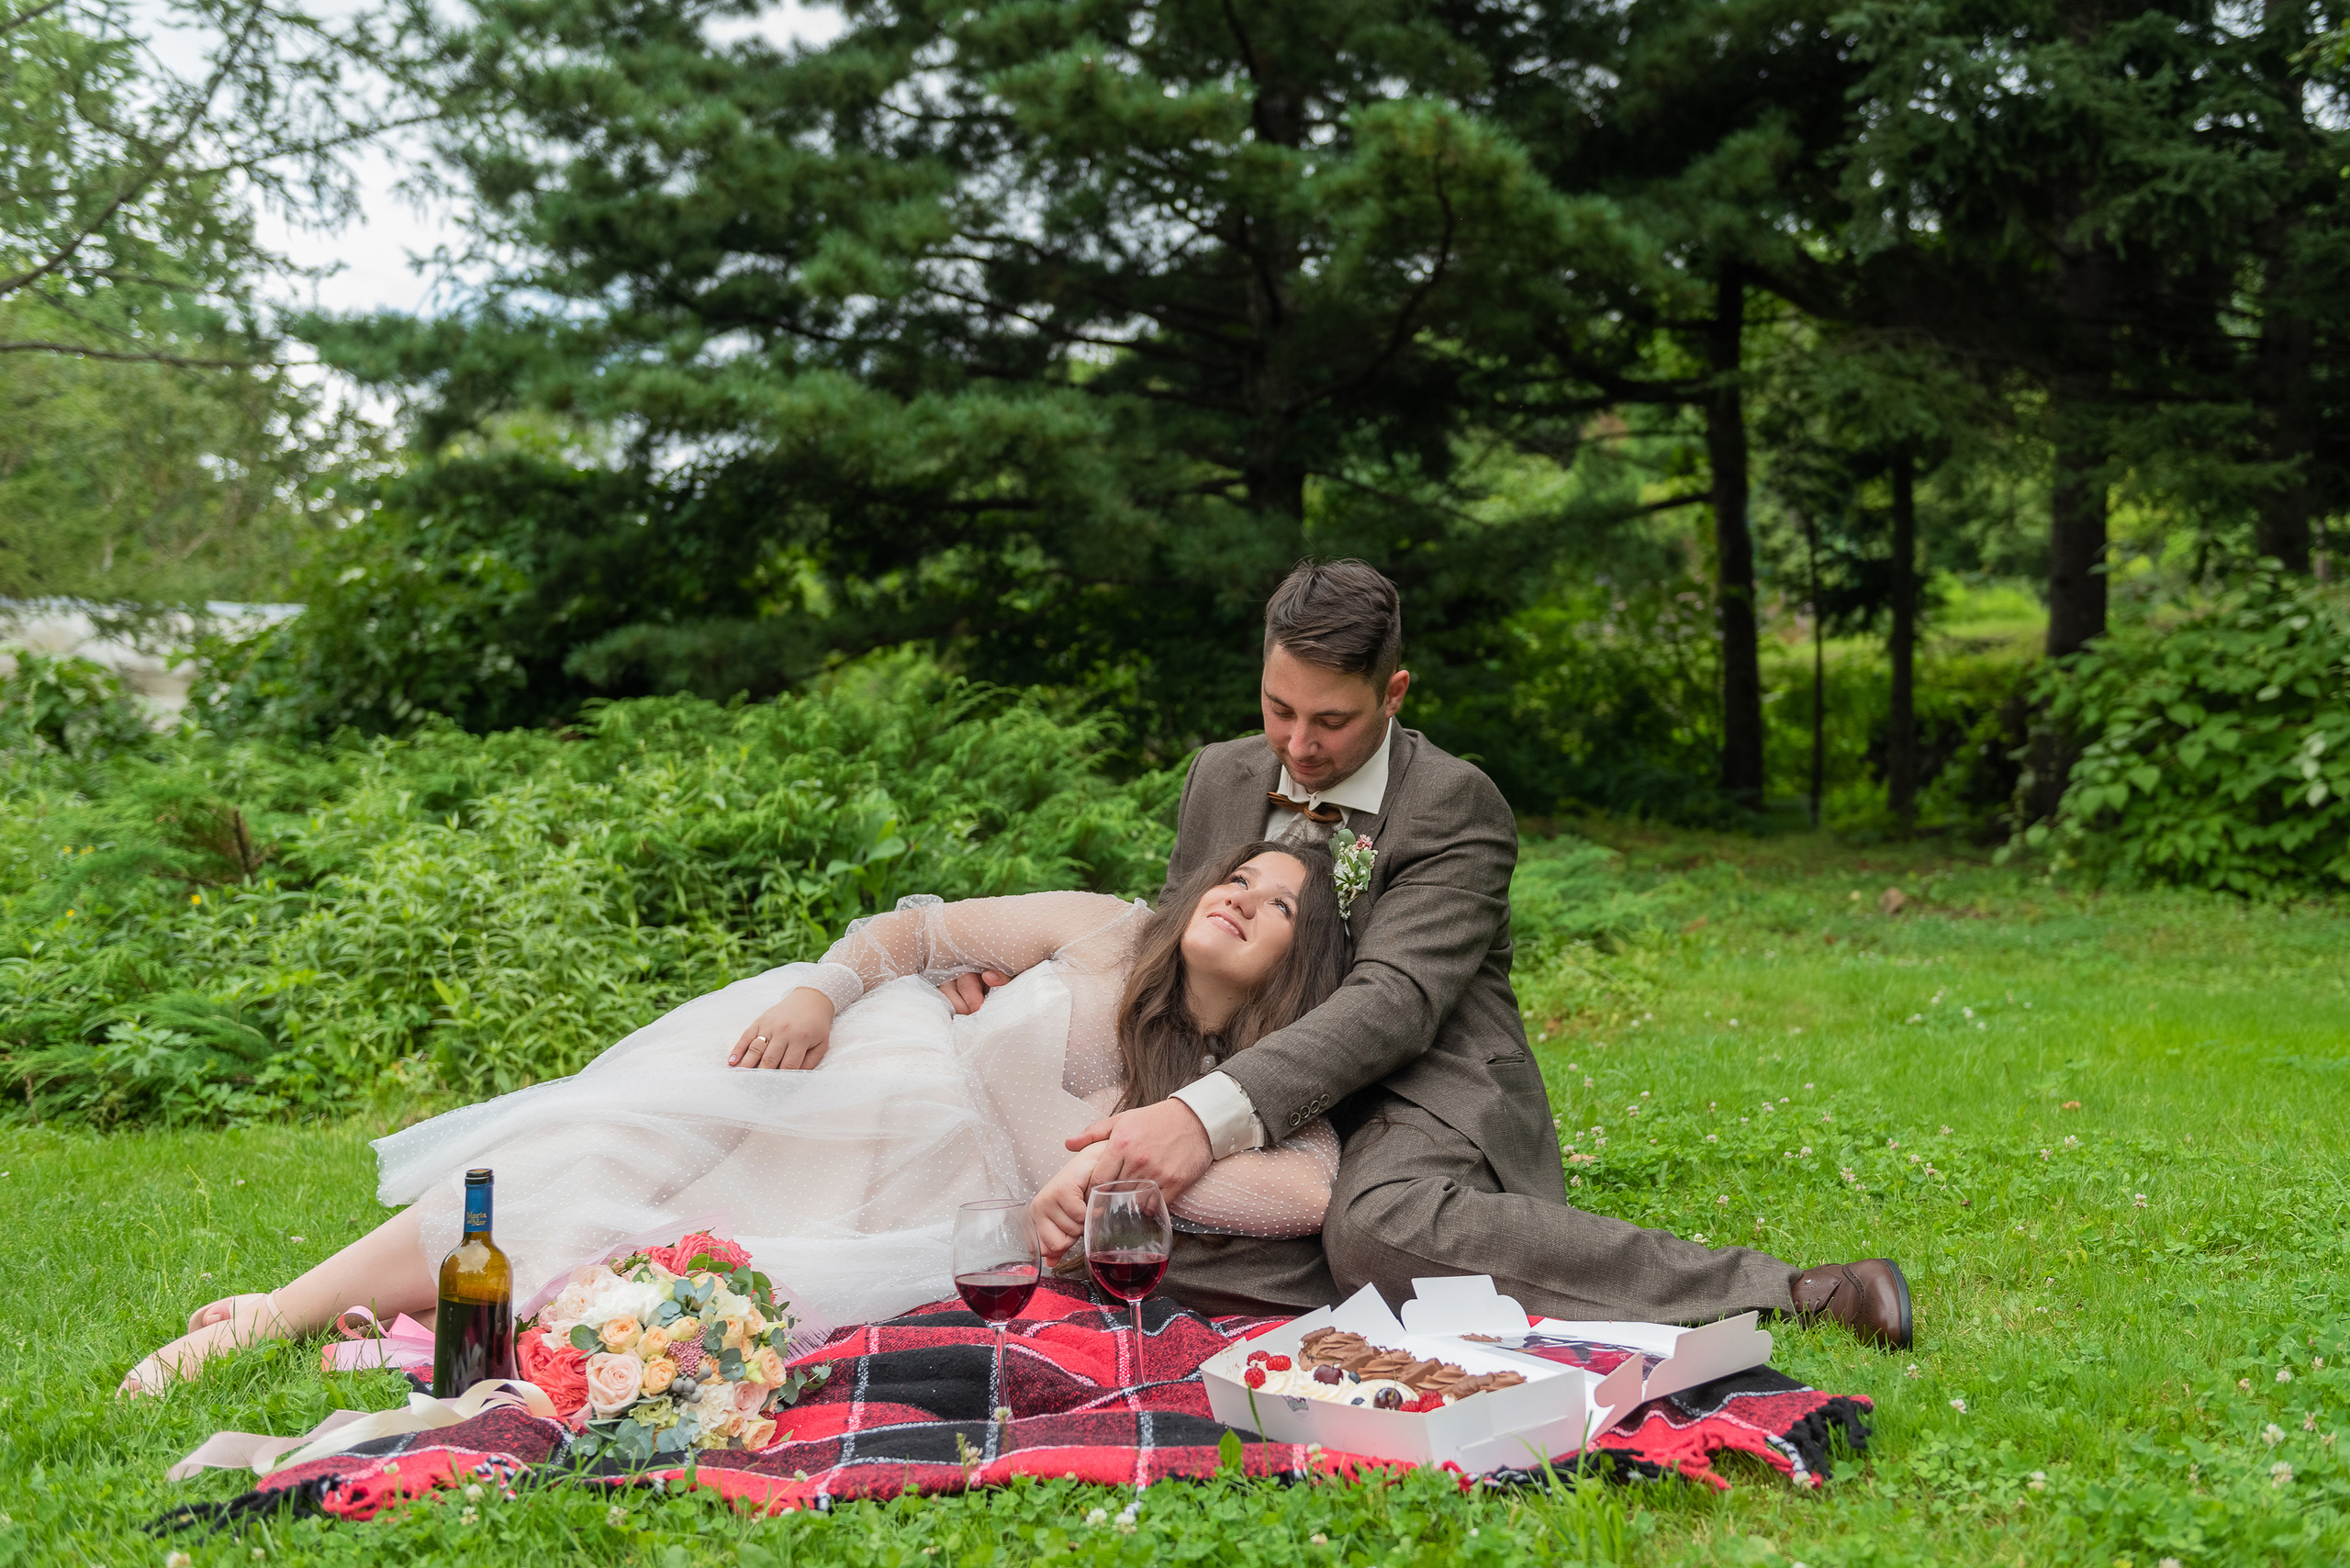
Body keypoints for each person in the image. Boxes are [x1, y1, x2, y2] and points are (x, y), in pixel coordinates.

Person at [944, 560, 1912, 1347]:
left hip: (1419, 1077)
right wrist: (1038, 980)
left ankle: (1797, 1291)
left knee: (1373, 1227)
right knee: (1110, 1213)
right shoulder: (1221, 773)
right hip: (1247, 1070)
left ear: (1393, 691)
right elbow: (1176, 930)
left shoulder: (1455, 802)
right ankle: (1350, 1270)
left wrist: (1202, 1119)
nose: (1298, 743)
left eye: (1332, 720)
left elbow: (1397, 999)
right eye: (1280, 709)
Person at [120, 840, 1351, 1394]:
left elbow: (1311, 1196)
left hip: (925, 1193)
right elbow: (914, 934)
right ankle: (268, 1317)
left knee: (663, 1257)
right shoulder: (1109, 925)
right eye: (1237, 878)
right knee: (606, 1148)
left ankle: (422, 1313)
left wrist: (1158, 1152)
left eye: (1281, 909)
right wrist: (822, 992)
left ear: (1301, 974)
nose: (1242, 901)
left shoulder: (1266, 1083)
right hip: (869, 1060)